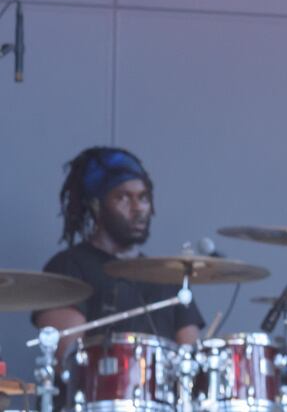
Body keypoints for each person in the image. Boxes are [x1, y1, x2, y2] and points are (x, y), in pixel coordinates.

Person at [32, 146, 204, 346]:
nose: (138, 208)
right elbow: (69, 358)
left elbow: (190, 356)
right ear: (96, 206)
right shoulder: (67, 267)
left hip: (163, 378)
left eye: (143, 197)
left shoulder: (168, 276)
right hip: (100, 377)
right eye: (123, 197)